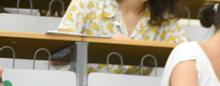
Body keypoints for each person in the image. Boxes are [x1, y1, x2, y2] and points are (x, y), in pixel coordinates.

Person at [56, 0, 186, 74]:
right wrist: (101, 47)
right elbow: (56, 56)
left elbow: (186, 60)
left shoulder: (167, 19)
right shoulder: (87, 2)